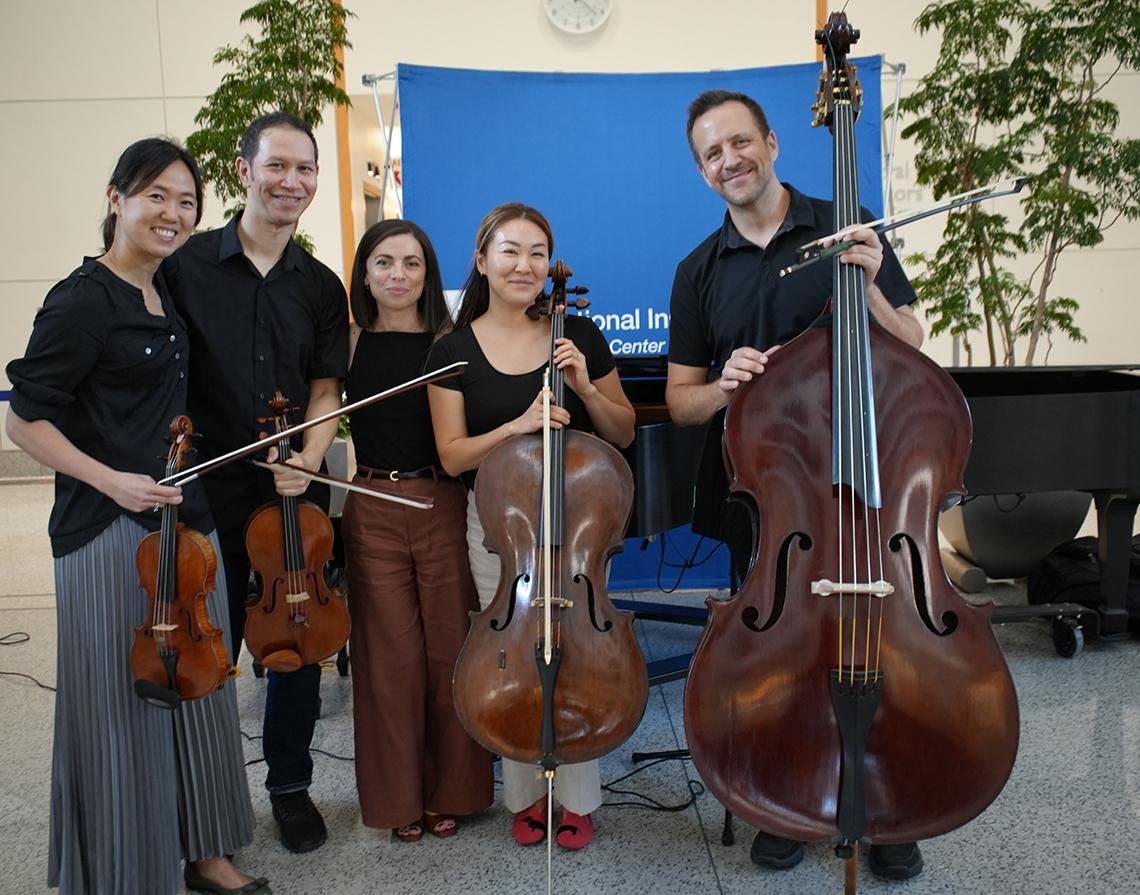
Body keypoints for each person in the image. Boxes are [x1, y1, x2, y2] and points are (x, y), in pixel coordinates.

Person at [665, 89, 926, 881]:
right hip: (774, 497)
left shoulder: (850, 226)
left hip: (865, 482)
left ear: (772, 143)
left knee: (887, 640)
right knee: (780, 651)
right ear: (702, 170)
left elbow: (913, 343)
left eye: (739, 142)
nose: (728, 160)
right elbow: (681, 402)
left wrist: (873, 284)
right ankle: (786, 793)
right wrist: (723, 387)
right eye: (711, 153)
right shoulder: (698, 271)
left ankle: (889, 805)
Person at [5, 138, 267, 895]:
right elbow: (23, 422)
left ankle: (207, 851)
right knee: (124, 701)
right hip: (107, 529)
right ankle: (129, 865)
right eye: (157, 195)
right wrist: (112, 481)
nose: (174, 213)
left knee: (203, 688)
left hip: (185, 523)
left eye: (187, 201)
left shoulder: (164, 289)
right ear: (116, 197)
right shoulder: (82, 300)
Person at [163, 112, 349, 854]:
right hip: (210, 489)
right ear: (244, 171)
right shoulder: (186, 267)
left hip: (293, 490)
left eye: (305, 169)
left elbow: (326, 388)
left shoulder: (320, 284)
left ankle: (290, 787)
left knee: (294, 643)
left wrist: (308, 455)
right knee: (212, 647)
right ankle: (206, 801)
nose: (292, 182)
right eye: (278, 166)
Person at [426, 202, 635, 850]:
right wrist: (518, 424)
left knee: (577, 652)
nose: (525, 264)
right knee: (513, 650)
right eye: (510, 251)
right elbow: (453, 454)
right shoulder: (452, 349)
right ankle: (523, 795)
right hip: (501, 526)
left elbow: (623, 429)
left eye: (537, 252)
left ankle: (576, 798)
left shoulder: (580, 335)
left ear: (550, 264)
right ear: (483, 260)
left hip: (576, 529)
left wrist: (586, 388)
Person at [340, 219, 493, 841]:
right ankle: (396, 799)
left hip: (442, 501)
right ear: (366, 274)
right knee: (388, 661)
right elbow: (325, 409)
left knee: (451, 651)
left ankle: (452, 792)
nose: (397, 275)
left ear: (429, 274)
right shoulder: (348, 343)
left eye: (411, 264)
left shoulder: (451, 342)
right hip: (371, 501)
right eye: (383, 263)